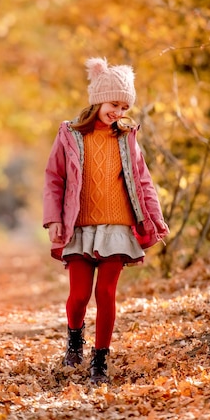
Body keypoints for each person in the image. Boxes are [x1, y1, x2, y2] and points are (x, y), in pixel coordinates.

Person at [43, 57, 169, 385]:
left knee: (107, 293)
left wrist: (155, 217)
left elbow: (143, 181)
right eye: (115, 103)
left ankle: (100, 360)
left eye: (125, 106)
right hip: (80, 227)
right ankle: (74, 343)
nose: (119, 112)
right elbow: (54, 178)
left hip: (117, 228)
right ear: (99, 99)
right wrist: (53, 218)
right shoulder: (70, 135)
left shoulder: (127, 138)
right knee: (80, 295)